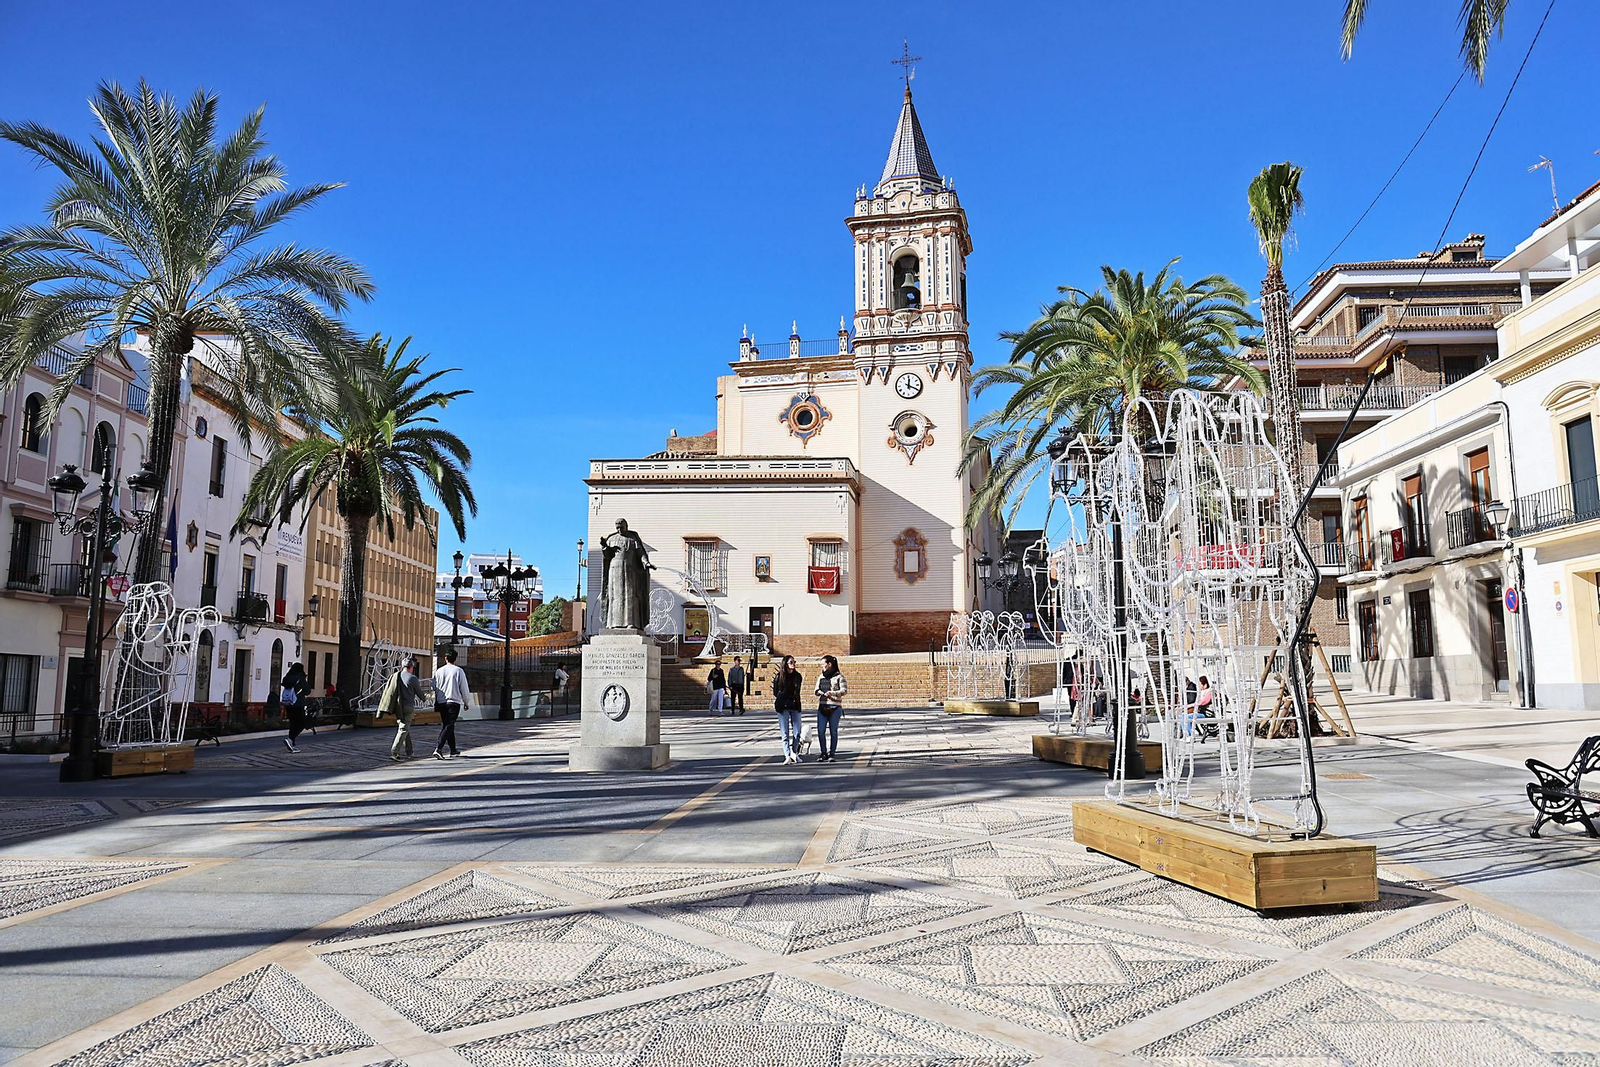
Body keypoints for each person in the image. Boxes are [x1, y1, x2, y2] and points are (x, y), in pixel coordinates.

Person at [432, 648, 471, 760]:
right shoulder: (458, 671)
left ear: (445, 658)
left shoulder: (439, 671)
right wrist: (466, 702)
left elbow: (433, 686)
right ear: (456, 659)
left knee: (448, 725)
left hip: (441, 701)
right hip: (453, 701)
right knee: (449, 725)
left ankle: (453, 749)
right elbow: (463, 688)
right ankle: (438, 748)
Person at [383, 657, 425, 762]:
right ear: (412, 667)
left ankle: (409, 751)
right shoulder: (413, 678)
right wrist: (424, 699)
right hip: (408, 707)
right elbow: (420, 693)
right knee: (403, 729)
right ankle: (394, 752)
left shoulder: (396, 676)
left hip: (398, 706)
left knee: (405, 727)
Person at [814, 654, 847, 763]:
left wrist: (832, 693)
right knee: (820, 730)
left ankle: (832, 753)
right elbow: (816, 689)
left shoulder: (839, 677)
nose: (822, 666)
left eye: (823, 664)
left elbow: (844, 691)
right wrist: (819, 692)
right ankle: (823, 752)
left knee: (833, 731)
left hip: (835, 707)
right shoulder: (821, 676)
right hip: (822, 706)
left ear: (829, 664)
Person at [773, 655, 804, 763]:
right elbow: (776, 692)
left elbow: (797, 691)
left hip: (795, 705)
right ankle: (787, 755)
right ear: (785, 664)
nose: (793, 664)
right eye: (791, 662)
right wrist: (783, 700)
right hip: (783, 706)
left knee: (797, 731)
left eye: (794, 662)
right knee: (785, 733)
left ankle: (794, 752)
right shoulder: (779, 677)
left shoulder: (797, 676)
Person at [280, 662, 310, 752]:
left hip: (288, 703)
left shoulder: (287, 678)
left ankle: (292, 744)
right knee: (302, 723)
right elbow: (307, 691)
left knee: (293, 723)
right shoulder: (300, 678)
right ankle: (290, 739)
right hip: (298, 703)